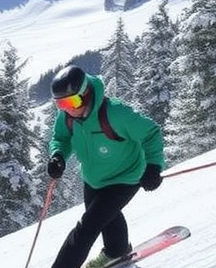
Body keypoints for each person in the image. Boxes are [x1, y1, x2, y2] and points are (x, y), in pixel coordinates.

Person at [47, 65, 166, 268]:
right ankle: (117, 251)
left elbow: (151, 133)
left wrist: (153, 166)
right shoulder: (67, 116)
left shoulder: (116, 114)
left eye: (72, 101)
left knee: (87, 227)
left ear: (85, 93)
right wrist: (58, 155)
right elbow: (61, 138)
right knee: (106, 216)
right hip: (94, 178)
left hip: (125, 177)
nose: (68, 109)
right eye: (61, 104)